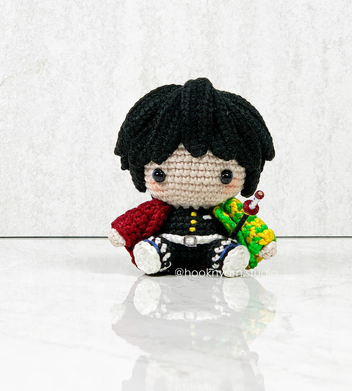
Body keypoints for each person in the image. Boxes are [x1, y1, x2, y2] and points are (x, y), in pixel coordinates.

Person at [109, 77, 277, 278]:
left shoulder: (230, 210)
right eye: (160, 175)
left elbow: (250, 226)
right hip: (169, 243)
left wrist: (263, 243)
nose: (196, 182)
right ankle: (154, 256)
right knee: (158, 246)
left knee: (225, 248)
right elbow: (136, 220)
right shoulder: (158, 209)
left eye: (225, 176)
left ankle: (227, 258)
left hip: (213, 246)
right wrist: (122, 231)